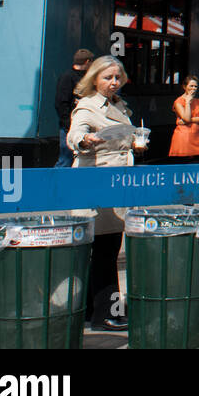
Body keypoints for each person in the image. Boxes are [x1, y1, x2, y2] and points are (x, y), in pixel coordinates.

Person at [68, 55, 145, 331]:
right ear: (94, 79)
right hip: (97, 185)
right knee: (105, 251)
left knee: (105, 248)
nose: (113, 83)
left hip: (116, 184)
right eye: (107, 77)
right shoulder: (88, 106)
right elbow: (75, 135)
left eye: (116, 78)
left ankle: (91, 309)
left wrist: (136, 145)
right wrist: (85, 140)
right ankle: (105, 313)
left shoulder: (119, 105)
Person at [54, 49, 94, 167]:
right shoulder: (67, 77)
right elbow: (61, 103)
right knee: (65, 159)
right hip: (69, 126)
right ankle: (55, 184)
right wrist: (68, 124)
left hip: (84, 125)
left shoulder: (88, 77)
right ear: (87, 61)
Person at [168, 76, 199, 163]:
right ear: (185, 87)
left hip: (197, 140)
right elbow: (186, 117)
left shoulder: (198, 101)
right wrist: (187, 102)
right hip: (184, 139)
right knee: (182, 168)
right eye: (191, 86)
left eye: (195, 86)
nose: (193, 88)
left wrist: (189, 120)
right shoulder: (179, 102)